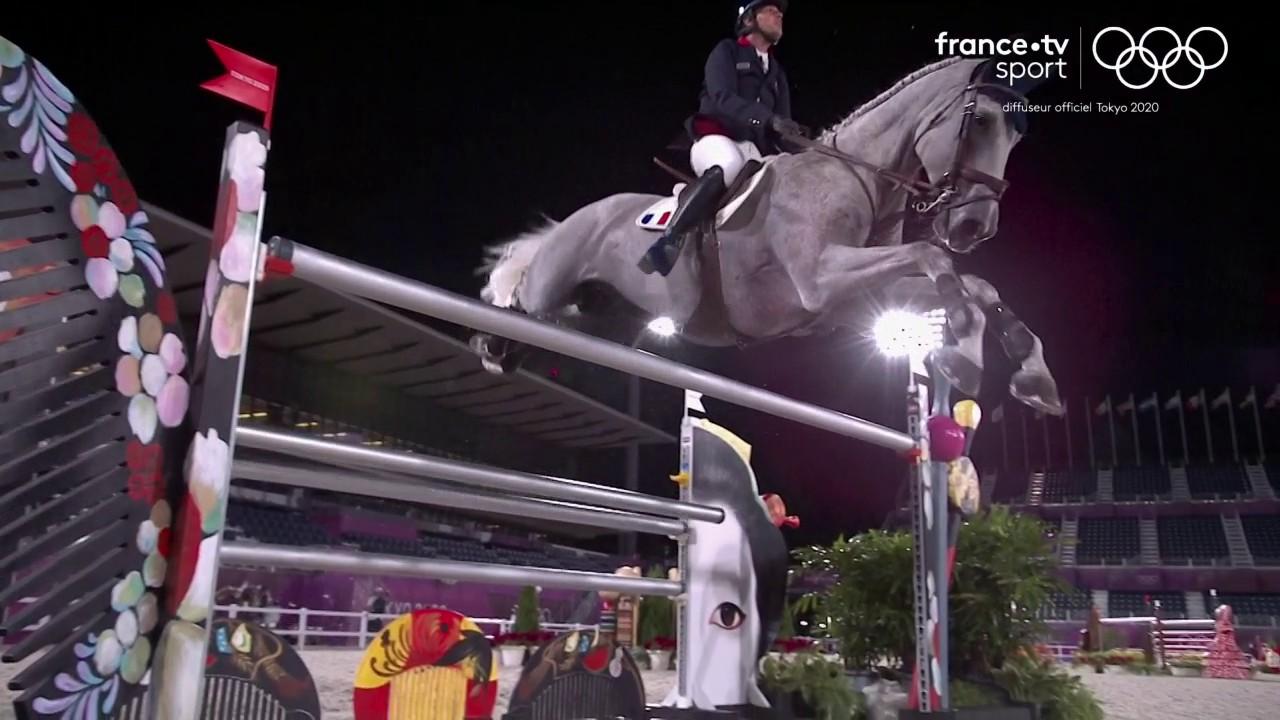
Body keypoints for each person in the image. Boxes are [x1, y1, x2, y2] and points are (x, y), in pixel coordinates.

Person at [639, 0, 807, 276]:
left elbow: (781, 123)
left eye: (780, 13)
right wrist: (767, 118)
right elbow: (722, 97)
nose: (779, 16)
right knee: (728, 164)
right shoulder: (727, 52)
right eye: (771, 11)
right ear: (750, 19)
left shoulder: (777, 73)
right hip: (715, 139)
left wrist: (798, 140)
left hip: (755, 151)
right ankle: (669, 240)